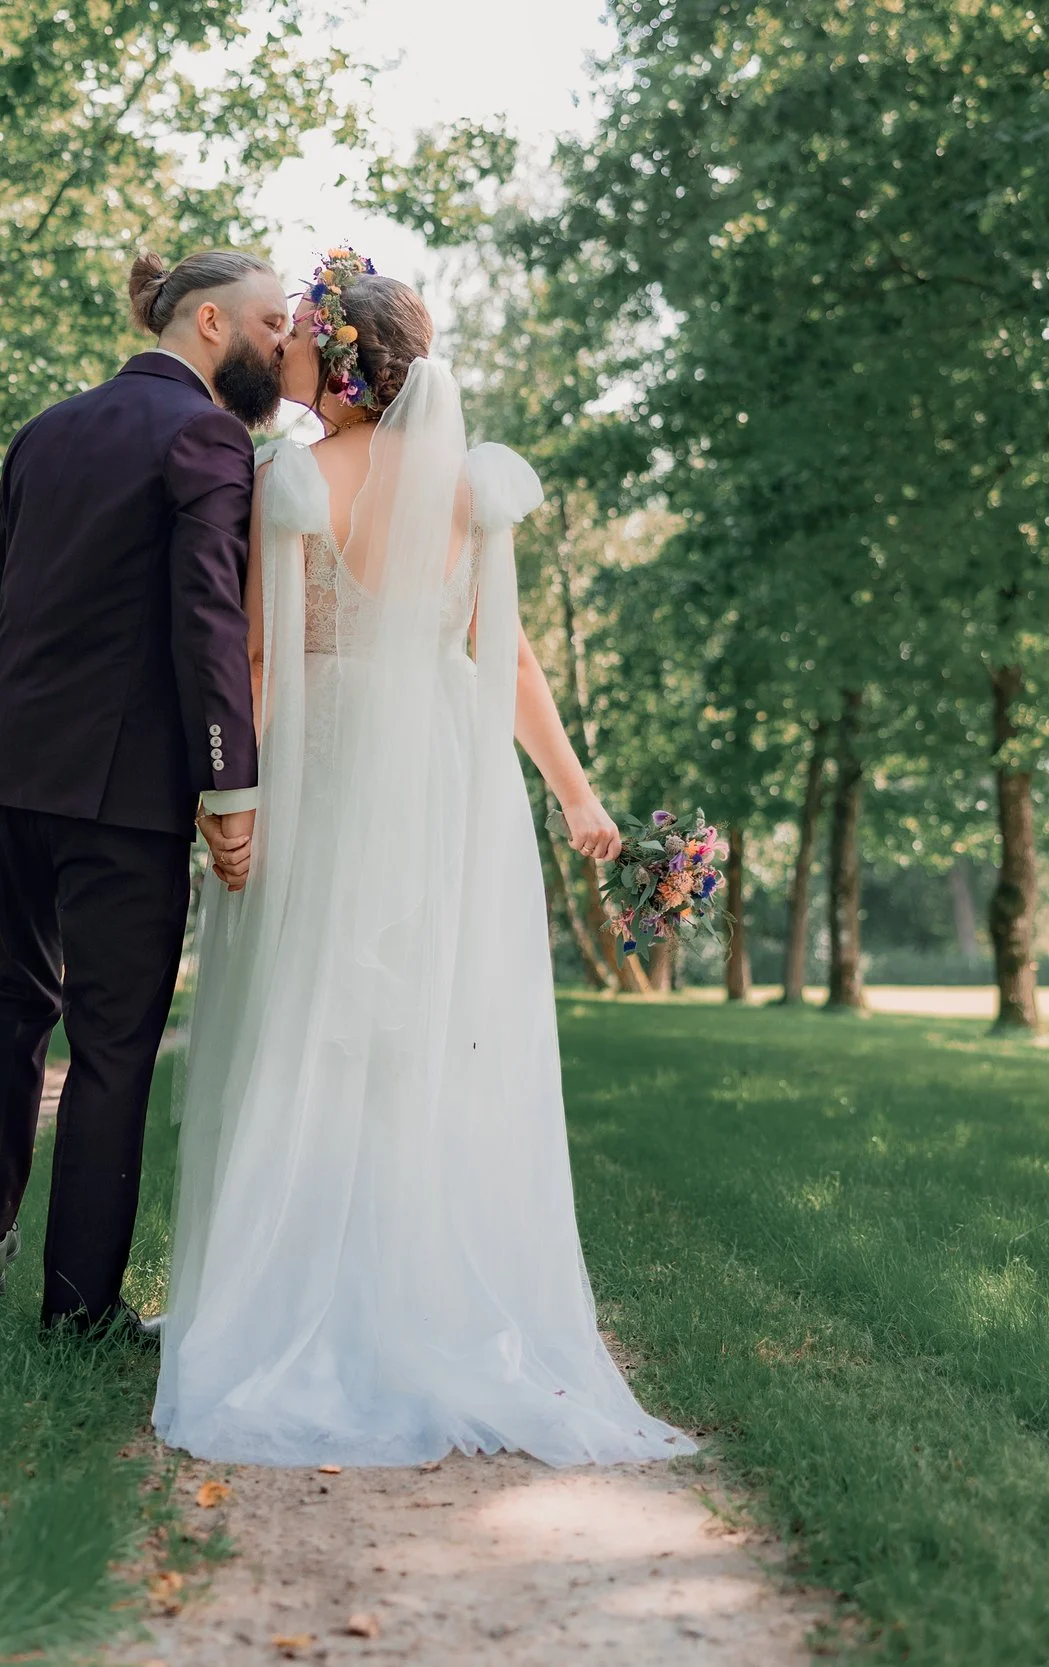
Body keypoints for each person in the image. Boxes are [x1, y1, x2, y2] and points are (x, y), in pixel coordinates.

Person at [152, 252, 697, 1466]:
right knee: (422, 1030)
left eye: (300, 336)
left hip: (329, 767)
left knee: (309, 1011)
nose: (282, 348)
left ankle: (294, 1293)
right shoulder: (469, 487)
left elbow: (256, 659)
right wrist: (576, 795)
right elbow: (508, 657)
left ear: (342, 364)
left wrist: (229, 799)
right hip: (448, 773)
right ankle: (418, 1290)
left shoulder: (291, 477)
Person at [0, 248, 288, 1338]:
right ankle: (80, 1312)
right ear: (210, 324)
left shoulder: (43, 430)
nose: (285, 342)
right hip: (119, 791)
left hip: (4, 767)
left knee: (13, 998)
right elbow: (209, 621)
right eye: (272, 322)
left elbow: (10, 604)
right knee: (112, 1042)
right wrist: (229, 784)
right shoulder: (209, 437)